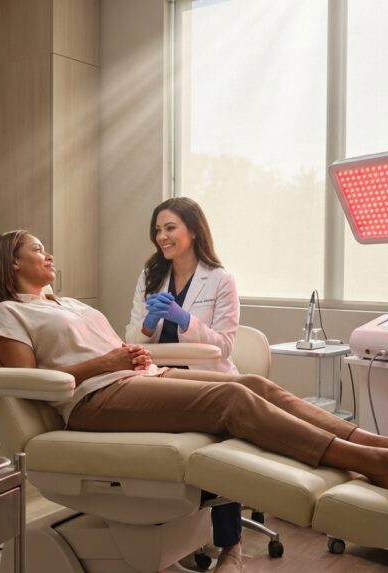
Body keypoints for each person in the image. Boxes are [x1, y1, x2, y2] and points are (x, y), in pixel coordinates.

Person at [0, 230, 388, 569]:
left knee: (248, 384)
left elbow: (120, 348)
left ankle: (384, 446)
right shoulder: (8, 312)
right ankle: (370, 462)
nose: (48, 255)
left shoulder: (69, 304)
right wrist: (104, 365)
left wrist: (140, 359)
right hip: (94, 402)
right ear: (11, 266)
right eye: (36, 251)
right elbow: (29, 380)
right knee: (229, 402)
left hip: (137, 379)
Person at [125, 197, 243, 572]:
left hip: (205, 380)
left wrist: (185, 320)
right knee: (159, 457)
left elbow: (223, 345)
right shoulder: (150, 276)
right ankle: (169, 545)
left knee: (220, 456)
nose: (162, 236)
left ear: (193, 230)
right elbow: (130, 338)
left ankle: (232, 548)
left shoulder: (221, 279)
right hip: (160, 380)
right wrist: (148, 324)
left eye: (170, 227)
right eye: (158, 229)